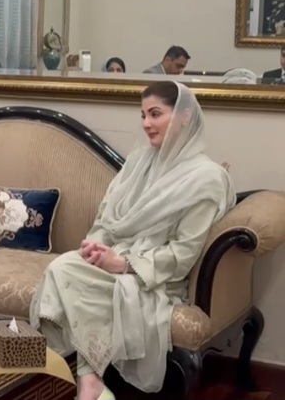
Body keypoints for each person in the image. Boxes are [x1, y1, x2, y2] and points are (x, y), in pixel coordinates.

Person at [29, 81, 235, 399]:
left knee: (65, 272)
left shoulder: (206, 178)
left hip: (154, 276)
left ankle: (88, 380)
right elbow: (107, 219)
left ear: (184, 116)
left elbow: (183, 253)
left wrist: (124, 265)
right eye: (142, 115)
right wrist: (95, 247)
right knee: (63, 266)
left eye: (155, 114)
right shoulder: (139, 162)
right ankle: (90, 380)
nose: (146, 123)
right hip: (115, 257)